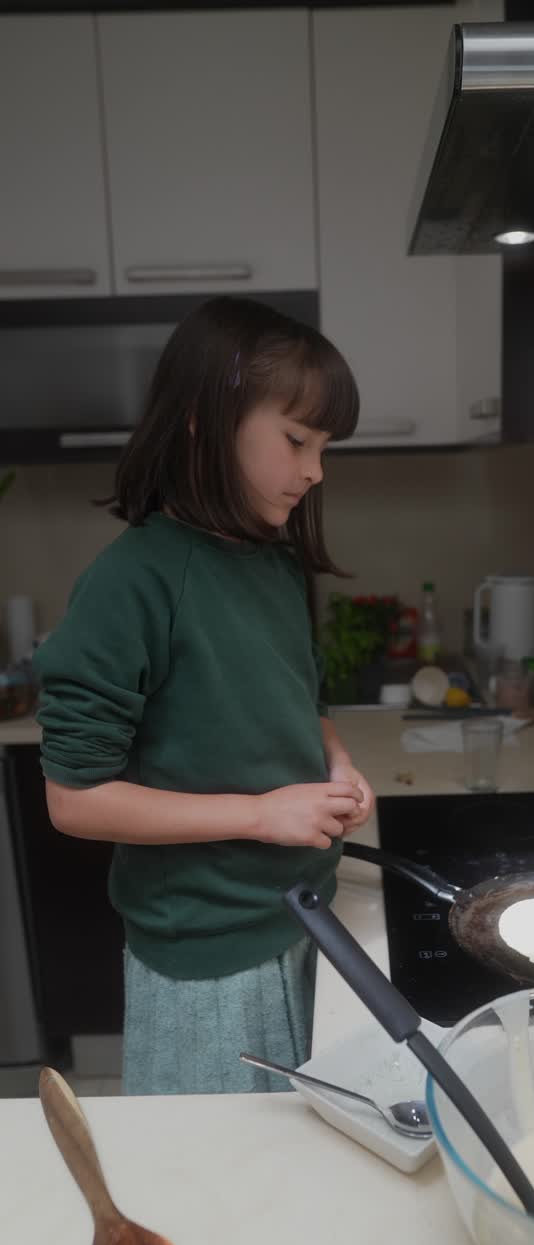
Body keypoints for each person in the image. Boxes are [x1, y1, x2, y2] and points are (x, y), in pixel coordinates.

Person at [33, 296, 375, 1096]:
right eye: (296, 440)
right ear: (202, 421)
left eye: (323, 447)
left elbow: (299, 698)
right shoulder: (133, 581)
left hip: (299, 914)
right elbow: (73, 801)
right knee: (218, 1194)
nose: (315, 470)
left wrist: (335, 760)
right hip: (206, 961)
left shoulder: (271, 562)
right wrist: (263, 814)